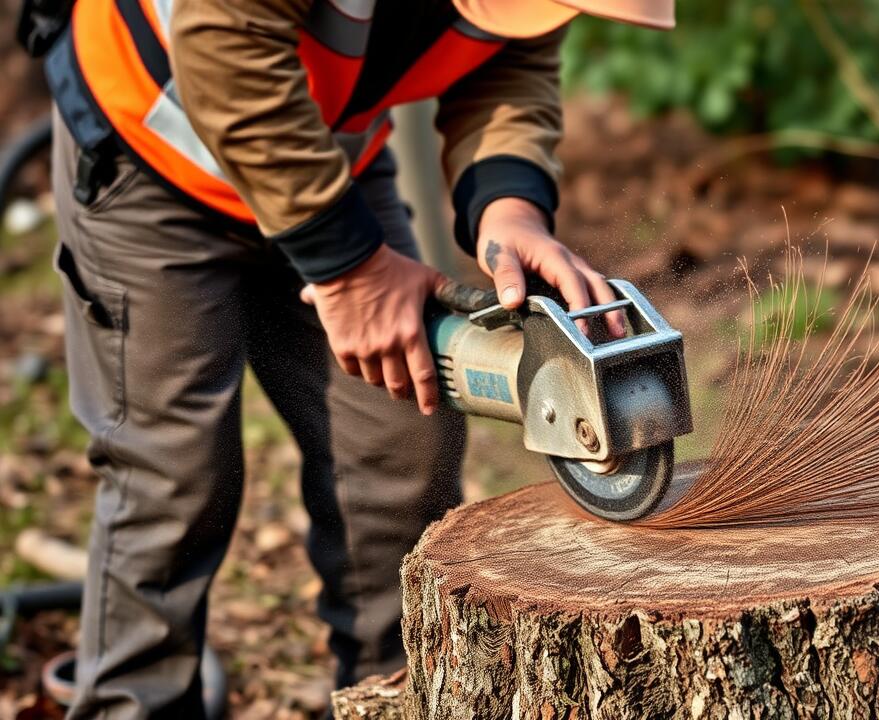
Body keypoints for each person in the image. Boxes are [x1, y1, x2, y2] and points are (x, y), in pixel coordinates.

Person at [43, 0, 674, 715]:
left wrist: (509, 207)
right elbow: (222, 41)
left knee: (401, 436)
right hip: (149, 151)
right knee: (172, 479)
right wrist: (350, 270)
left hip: (322, 158)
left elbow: (509, 58)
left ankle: (394, 696)